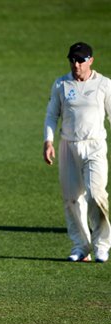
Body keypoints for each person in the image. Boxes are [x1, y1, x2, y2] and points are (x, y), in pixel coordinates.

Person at [43, 42, 111, 263]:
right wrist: (48, 141)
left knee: (96, 195)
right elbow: (52, 114)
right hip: (68, 146)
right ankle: (81, 246)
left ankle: (102, 245)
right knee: (71, 199)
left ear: (90, 60)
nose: (76, 64)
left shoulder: (104, 85)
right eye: (72, 60)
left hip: (94, 146)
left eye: (81, 60)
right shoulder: (62, 84)